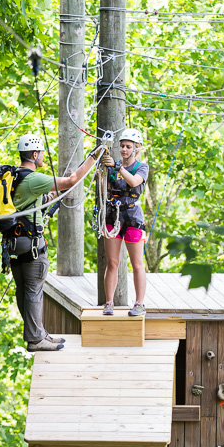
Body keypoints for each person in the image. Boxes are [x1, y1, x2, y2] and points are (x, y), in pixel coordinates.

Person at [9, 133, 103, 352]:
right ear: (34, 154)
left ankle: (38, 333)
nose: (42, 156)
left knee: (23, 289)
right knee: (33, 290)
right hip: (31, 244)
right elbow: (71, 181)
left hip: (12, 243)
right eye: (41, 153)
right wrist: (93, 156)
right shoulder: (33, 178)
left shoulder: (14, 177)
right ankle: (35, 339)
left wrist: (54, 199)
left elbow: (34, 199)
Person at [100, 128, 150, 317]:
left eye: (128, 147)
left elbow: (135, 182)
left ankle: (139, 303)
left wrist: (117, 167)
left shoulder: (141, 167)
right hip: (113, 216)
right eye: (122, 146)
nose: (124, 150)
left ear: (136, 149)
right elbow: (107, 187)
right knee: (112, 262)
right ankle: (109, 302)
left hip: (133, 217)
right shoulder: (114, 166)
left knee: (137, 263)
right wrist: (102, 174)